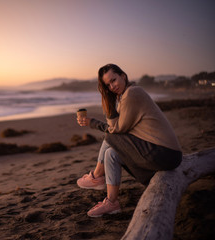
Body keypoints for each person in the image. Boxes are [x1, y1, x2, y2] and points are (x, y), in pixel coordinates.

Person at [76, 63, 182, 217]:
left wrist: (92, 123)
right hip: (159, 152)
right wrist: (110, 104)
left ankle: (97, 176)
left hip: (165, 153)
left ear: (123, 76)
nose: (112, 86)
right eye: (107, 85)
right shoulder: (123, 97)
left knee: (111, 137)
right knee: (111, 154)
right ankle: (112, 202)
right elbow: (116, 128)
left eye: (114, 80)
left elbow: (117, 130)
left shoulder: (133, 93)